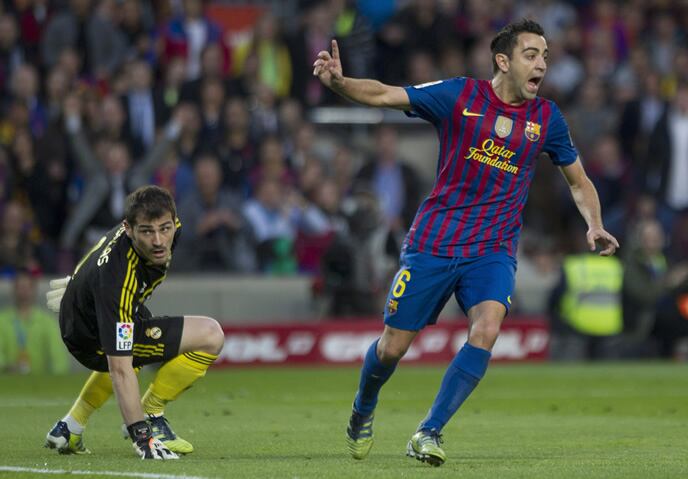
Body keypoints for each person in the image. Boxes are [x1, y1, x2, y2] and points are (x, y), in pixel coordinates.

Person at [313, 19, 619, 466]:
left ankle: (428, 431)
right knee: (392, 348)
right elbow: (384, 93)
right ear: (503, 60)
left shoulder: (546, 118)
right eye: (531, 54)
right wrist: (339, 83)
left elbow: (578, 181)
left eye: (546, 56)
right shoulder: (459, 96)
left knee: (488, 327)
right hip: (435, 242)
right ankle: (363, 407)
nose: (542, 65)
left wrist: (594, 223)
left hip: (492, 250)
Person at [44, 185, 224, 460]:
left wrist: (80, 286)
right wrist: (142, 437)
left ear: (174, 220)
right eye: (147, 232)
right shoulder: (118, 282)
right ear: (128, 229)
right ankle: (151, 417)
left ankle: (68, 428)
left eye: (165, 229)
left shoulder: (164, 226)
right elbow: (119, 369)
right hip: (90, 337)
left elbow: (98, 254)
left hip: (91, 313)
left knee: (137, 338)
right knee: (210, 335)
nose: (158, 241)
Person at [0, 270, 69, 374]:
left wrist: (55, 381)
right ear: (13, 290)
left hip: (41, 383)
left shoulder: (47, 322)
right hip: (7, 380)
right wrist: (5, 368)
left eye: (27, 287)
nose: (24, 291)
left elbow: (59, 359)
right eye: (20, 287)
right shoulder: (2, 320)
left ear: (34, 290)